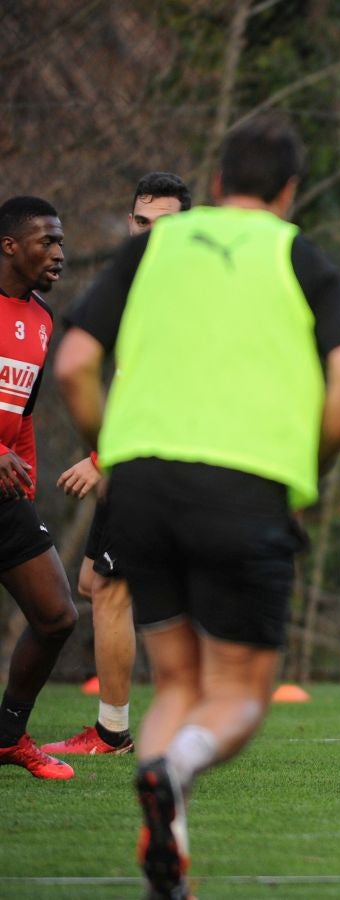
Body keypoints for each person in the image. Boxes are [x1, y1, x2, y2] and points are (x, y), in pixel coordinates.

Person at [56, 115, 340, 899]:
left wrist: (115, 448)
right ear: (289, 189)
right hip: (246, 487)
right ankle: (177, 767)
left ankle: (169, 858)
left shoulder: (151, 248)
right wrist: (313, 465)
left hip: (140, 487)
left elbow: (72, 363)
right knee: (234, 692)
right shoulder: (297, 254)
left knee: (176, 684)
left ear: (220, 175)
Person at [44, 172, 193, 758]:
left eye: (167, 224)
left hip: (156, 460)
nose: (151, 234)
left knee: (107, 588)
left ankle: (113, 733)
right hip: (138, 453)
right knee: (95, 583)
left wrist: (105, 460)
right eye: (141, 221)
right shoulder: (138, 286)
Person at [0, 196, 80, 780]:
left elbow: (22, 413)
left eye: (60, 243)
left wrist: (22, 478)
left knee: (57, 615)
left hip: (6, 496)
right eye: (46, 241)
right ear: (9, 246)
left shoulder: (43, 320)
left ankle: (7, 736)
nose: (59, 253)